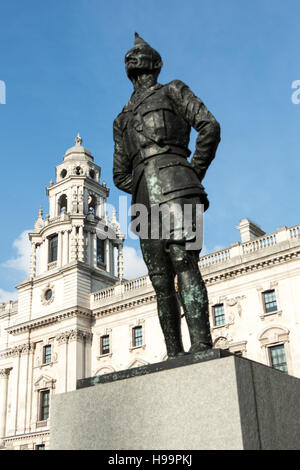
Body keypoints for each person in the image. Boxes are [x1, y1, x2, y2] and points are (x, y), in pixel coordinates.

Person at [113, 33, 221, 358]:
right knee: (159, 281)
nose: (131, 58)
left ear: (156, 64)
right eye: (128, 56)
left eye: (140, 54)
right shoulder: (121, 119)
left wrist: (191, 172)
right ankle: (173, 353)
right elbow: (120, 174)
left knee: (185, 262)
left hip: (180, 186)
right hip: (144, 198)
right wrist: (144, 183)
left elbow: (209, 126)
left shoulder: (173, 90)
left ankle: (201, 345)